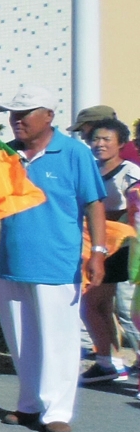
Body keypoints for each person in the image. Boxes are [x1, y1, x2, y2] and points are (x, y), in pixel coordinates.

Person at [0, 87, 107, 432]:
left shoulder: (74, 153)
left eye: (25, 112)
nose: (17, 119)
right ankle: (29, 405)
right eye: (12, 112)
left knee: (58, 340)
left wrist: (98, 252)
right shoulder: (5, 154)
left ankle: (57, 410)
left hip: (56, 263)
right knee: (22, 339)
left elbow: (94, 204)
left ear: (48, 116)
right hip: (11, 261)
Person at [78, 119, 139, 384]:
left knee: (120, 309)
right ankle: (110, 361)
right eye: (95, 139)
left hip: (122, 246)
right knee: (98, 305)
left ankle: (114, 361)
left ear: (121, 144)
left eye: (106, 140)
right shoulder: (88, 169)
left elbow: (133, 209)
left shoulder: (130, 172)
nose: (99, 144)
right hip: (95, 245)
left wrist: (110, 224)